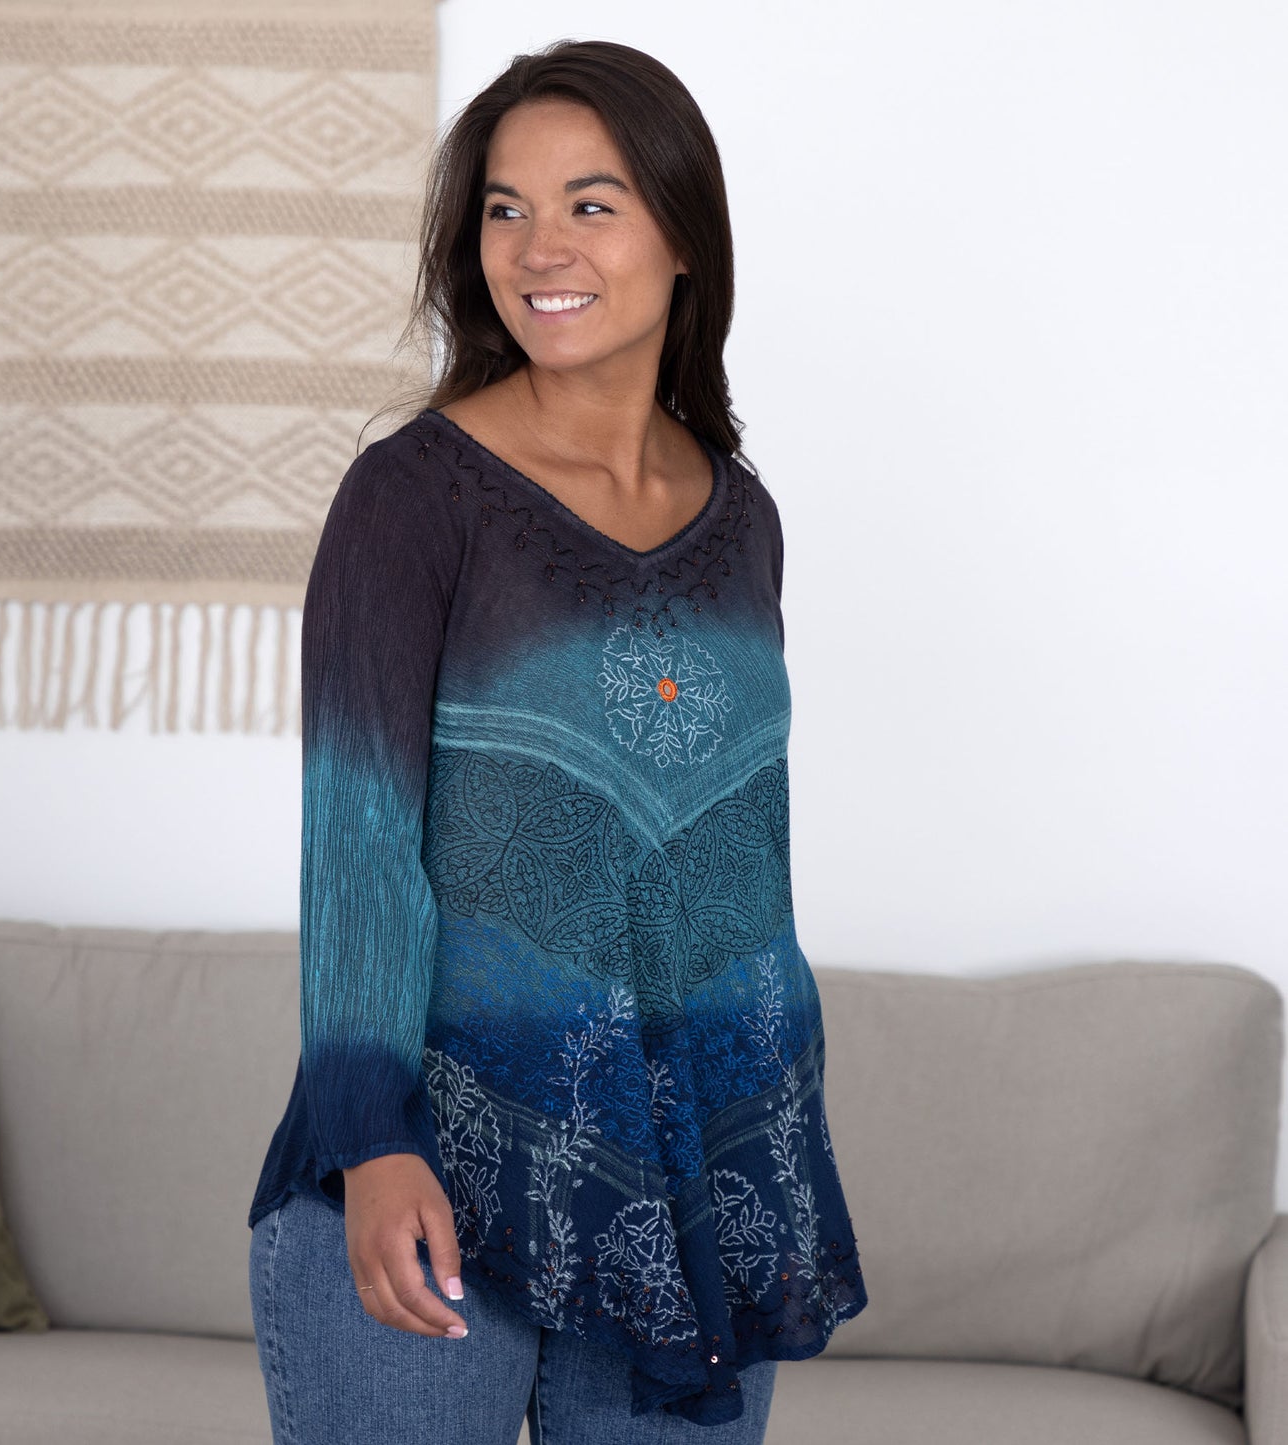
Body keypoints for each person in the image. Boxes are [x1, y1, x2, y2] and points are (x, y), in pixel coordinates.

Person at [246, 37, 867, 1445]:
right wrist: (372, 1139)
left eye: (591, 203)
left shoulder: (744, 519)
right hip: (430, 1172)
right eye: (505, 208)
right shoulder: (413, 497)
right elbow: (359, 843)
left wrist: (764, 1145)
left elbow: (735, 855)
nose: (540, 248)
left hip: (693, 1188)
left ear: (681, 233)